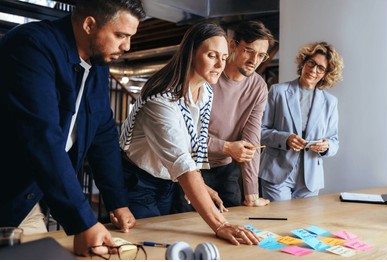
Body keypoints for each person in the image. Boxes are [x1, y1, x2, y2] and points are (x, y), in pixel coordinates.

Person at [0, 0, 146, 256]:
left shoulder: (97, 67)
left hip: (27, 199)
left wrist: (118, 201)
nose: (127, 46)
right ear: (90, 24)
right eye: (120, 35)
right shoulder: (30, 46)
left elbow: (103, 135)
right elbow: (42, 138)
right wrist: (84, 221)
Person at [119, 21, 259, 245]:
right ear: (191, 52)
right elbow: (182, 162)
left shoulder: (205, 92)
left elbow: (191, 144)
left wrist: (202, 186)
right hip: (137, 180)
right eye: (212, 55)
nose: (219, 65)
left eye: (224, 58)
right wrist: (220, 224)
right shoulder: (161, 99)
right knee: (145, 247)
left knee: (169, 243)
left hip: (168, 181)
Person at [172, 20, 276, 213]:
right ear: (233, 45)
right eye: (249, 51)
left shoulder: (259, 86)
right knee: (188, 226)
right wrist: (226, 147)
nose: (255, 60)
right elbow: (185, 135)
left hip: (225, 168)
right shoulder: (206, 75)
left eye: (261, 55)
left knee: (235, 223)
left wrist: (251, 194)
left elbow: (252, 140)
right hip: (190, 166)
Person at [259, 41, 344, 201]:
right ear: (304, 62)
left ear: (326, 74)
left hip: (310, 179)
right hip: (277, 172)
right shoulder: (278, 92)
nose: (313, 70)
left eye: (320, 68)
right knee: (281, 221)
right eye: (311, 63)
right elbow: (260, 131)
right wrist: (286, 139)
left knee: (305, 224)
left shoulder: (330, 102)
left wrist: (326, 146)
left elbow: (334, 142)